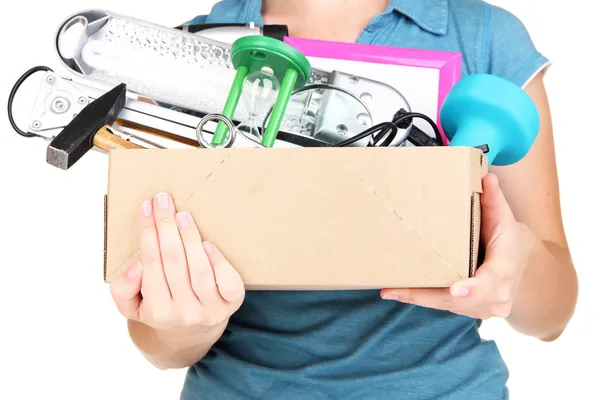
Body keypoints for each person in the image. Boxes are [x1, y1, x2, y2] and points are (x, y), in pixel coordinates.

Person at [108, 0, 579, 398]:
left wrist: (516, 266)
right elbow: (155, 342)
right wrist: (183, 326)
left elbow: (553, 315)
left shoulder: (483, 38)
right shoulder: (183, 52)